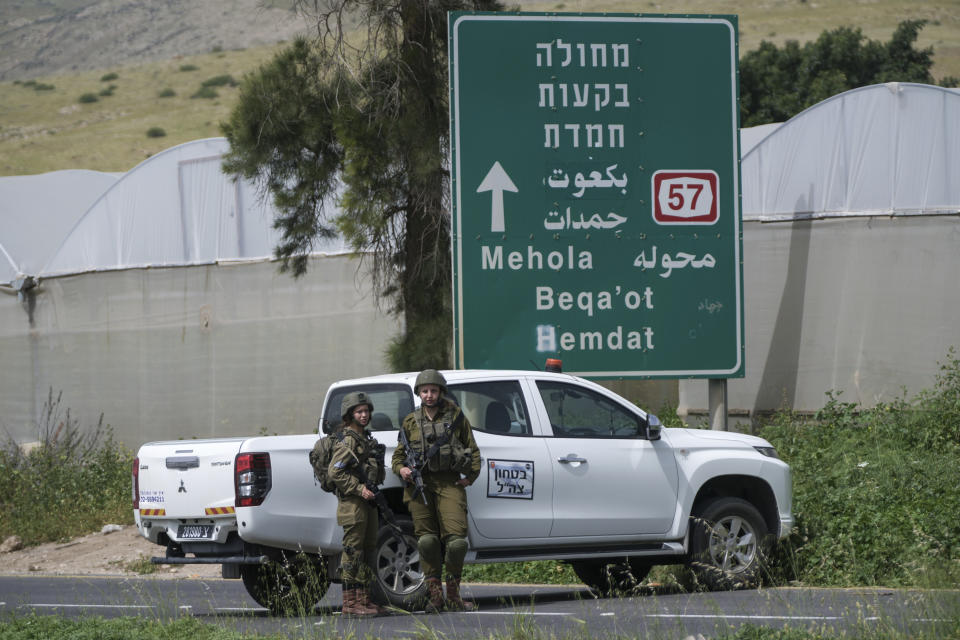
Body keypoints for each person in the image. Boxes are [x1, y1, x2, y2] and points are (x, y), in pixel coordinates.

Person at [392, 369, 482, 612]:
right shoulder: (410, 421)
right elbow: (398, 457)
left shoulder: (455, 416)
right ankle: (435, 596)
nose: (429, 395)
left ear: (441, 391)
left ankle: (453, 594)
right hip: (420, 485)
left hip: (449, 482)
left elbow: (472, 448)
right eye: (424, 391)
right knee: (427, 541)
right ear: (419, 393)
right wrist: (402, 470)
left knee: (457, 543)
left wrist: (470, 477)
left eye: (433, 390)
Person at [328, 391, 387, 617]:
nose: (364, 415)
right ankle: (350, 604)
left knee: (367, 550)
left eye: (366, 411)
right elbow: (335, 472)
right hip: (353, 504)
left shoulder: (365, 439)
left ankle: (363, 599)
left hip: (367, 503)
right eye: (359, 412)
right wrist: (358, 488)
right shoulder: (350, 439)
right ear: (350, 414)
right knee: (353, 552)